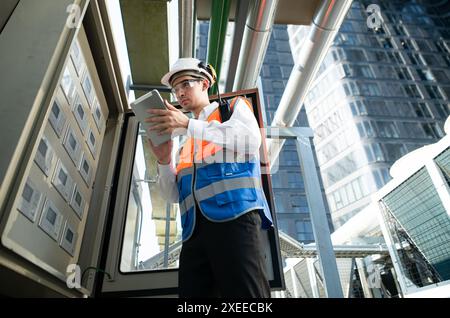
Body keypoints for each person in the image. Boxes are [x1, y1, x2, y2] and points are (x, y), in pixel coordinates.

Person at [146, 57, 273, 298]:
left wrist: (189, 125)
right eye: (175, 88)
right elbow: (172, 195)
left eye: (185, 84)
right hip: (194, 232)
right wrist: (164, 161)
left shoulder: (231, 109)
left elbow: (251, 140)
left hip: (235, 219)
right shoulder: (186, 141)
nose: (180, 93)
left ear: (205, 84)